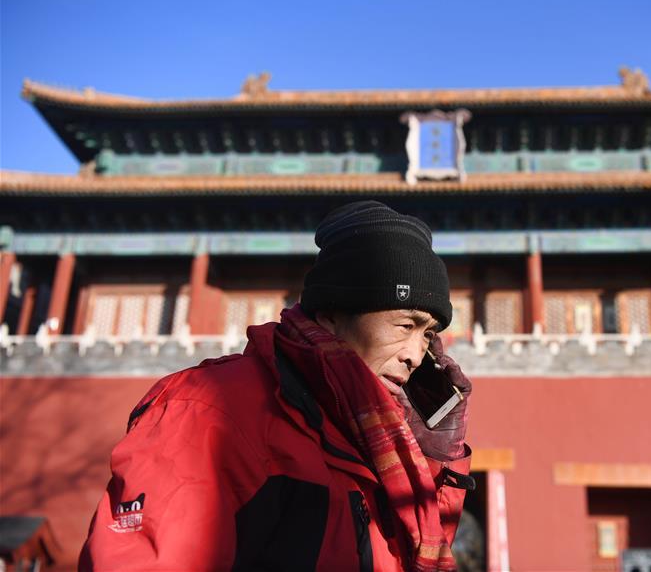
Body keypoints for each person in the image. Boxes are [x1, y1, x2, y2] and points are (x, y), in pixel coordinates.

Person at [79, 201, 474, 571]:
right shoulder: (210, 410)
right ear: (333, 314)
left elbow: (411, 552)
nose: (416, 355)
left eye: (428, 334)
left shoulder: (373, 438)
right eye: (405, 325)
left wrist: (437, 460)